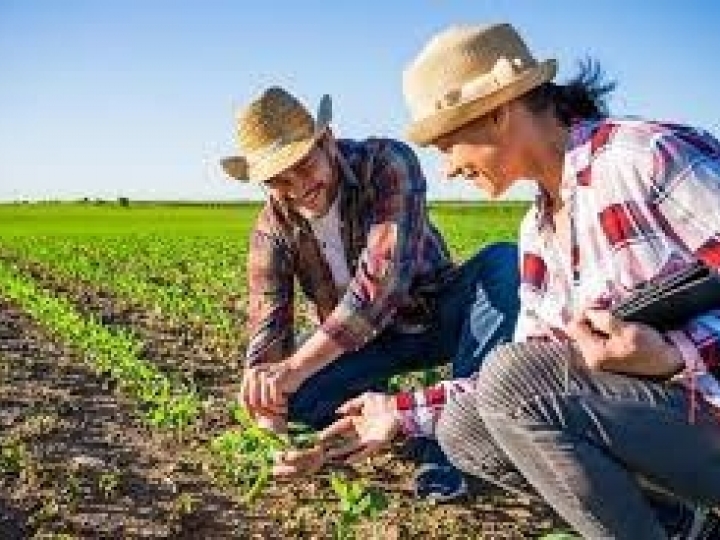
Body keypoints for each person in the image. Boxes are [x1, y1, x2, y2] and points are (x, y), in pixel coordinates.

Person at [275, 24, 720, 538]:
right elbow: (522, 377)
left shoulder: (644, 158)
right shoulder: (540, 230)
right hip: (676, 431)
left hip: (703, 409)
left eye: (446, 145)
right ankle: (683, 528)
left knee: (510, 382)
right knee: (466, 430)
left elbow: (516, 379)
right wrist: (398, 413)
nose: (447, 169)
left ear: (497, 110)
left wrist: (676, 351)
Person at [220, 86, 520, 499]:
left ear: (326, 140)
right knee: (297, 397)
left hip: (433, 315)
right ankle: (406, 420)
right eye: (278, 181)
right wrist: (272, 424)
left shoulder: (387, 163)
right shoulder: (273, 228)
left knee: (505, 263)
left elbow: (380, 288)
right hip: (358, 345)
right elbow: (267, 335)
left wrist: (291, 372)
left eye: (304, 166)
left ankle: (451, 442)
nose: (298, 188)